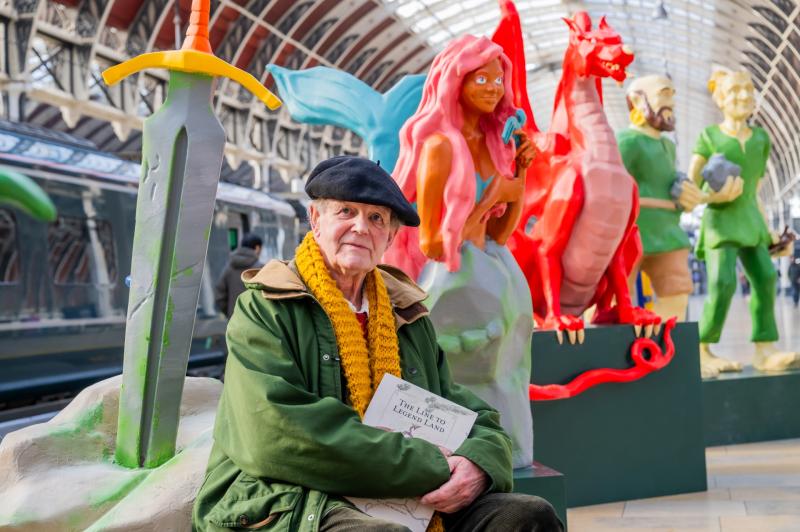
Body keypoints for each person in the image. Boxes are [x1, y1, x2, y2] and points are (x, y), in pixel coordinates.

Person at [193, 156, 562, 532]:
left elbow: (464, 410)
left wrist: (479, 465)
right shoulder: (265, 307)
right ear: (315, 220)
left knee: (529, 516)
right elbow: (273, 431)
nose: (360, 227)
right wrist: (431, 467)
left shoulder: (408, 314)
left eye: (376, 219)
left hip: (406, 498)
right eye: (346, 212)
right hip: (288, 499)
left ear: (389, 237)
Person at [382, 35, 536, 468]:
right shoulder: (439, 148)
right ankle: (463, 460)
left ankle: (507, 454)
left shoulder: (494, 143)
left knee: (508, 373)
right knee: (464, 379)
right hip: (454, 279)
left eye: (498, 78)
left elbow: (502, 233)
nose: (493, 87)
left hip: (496, 269)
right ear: (455, 82)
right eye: (481, 77)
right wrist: (488, 201)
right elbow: (432, 241)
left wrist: (518, 175)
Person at [688, 69, 798, 374]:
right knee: (721, 283)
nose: (743, 96)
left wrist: (770, 230)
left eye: (748, 89)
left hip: (751, 221)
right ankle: (702, 348)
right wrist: (714, 198)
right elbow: (687, 187)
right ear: (720, 98)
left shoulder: (761, 139)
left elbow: (756, 190)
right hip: (720, 222)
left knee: (765, 277)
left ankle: (765, 349)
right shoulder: (709, 137)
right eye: (735, 90)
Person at [618, 75, 704, 322]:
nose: (671, 103)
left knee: (677, 290)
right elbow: (612, 187)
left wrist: (685, 196)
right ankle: (615, 346)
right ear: (636, 100)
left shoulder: (668, 146)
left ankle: (659, 344)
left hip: (667, 233)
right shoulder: (627, 142)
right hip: (631, 234)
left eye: (671, 97)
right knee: (615, 293)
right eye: (664, 94)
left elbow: (665, 182)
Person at [214, 233, 263, 319]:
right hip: (257, 322)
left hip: (234, 321)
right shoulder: (261, 269)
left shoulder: (229, 268)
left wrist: (230, 313)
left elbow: (219, 295)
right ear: (257, 248)